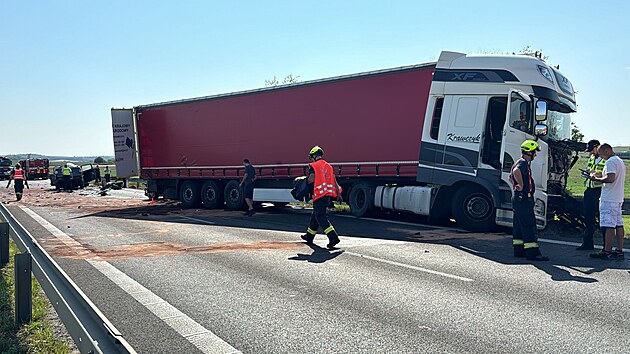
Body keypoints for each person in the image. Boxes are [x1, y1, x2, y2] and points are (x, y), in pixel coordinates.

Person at [509, 140, 549, 261]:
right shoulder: (523, 164)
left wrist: (515, 184)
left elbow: (511, 176)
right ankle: (533, 253)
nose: (535, 154)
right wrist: (520, 184)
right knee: (529, 226)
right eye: (534, 152)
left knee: (519, 226)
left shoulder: (520, 162)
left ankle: (519, 250)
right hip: (523, 199)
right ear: (529, 152)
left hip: (518, 198)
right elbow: (516, 172)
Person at [300, 146, 343, 249]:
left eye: (311, 157)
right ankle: (309, 236)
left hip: (318, 194)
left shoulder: (314, 166)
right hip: (327, 194)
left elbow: (311, 179)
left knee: (320, 216)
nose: (311, 159)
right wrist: (339, 193)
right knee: (316, 215)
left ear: (314, 156)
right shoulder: (328, 166)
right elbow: (334, 179)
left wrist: (302, 182)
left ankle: (333, 237)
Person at [589, 144, 626, 260]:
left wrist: (596, 179)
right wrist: (598, 174)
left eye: (601, 154)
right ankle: (619, 250)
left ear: (607, 151)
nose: (601, 156)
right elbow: (611, 175)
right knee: (618, 224)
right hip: (618, 197)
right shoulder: (619, 161)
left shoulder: (610, 162)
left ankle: (607, 250)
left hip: (609, 198)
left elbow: (610, 178)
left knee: (608, 225)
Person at [576, 139, 606, 250]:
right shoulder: (592, 158)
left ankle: (605, 246)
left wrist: (596, 174)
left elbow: (606, 174)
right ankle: (587, 243)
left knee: (601, 217)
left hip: (599, 190)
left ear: (598, 147)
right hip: (589, 190)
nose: (591, 153)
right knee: (588, 217)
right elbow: (589, 169)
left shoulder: (606, 159)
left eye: (592, 150)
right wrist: (586, 172)